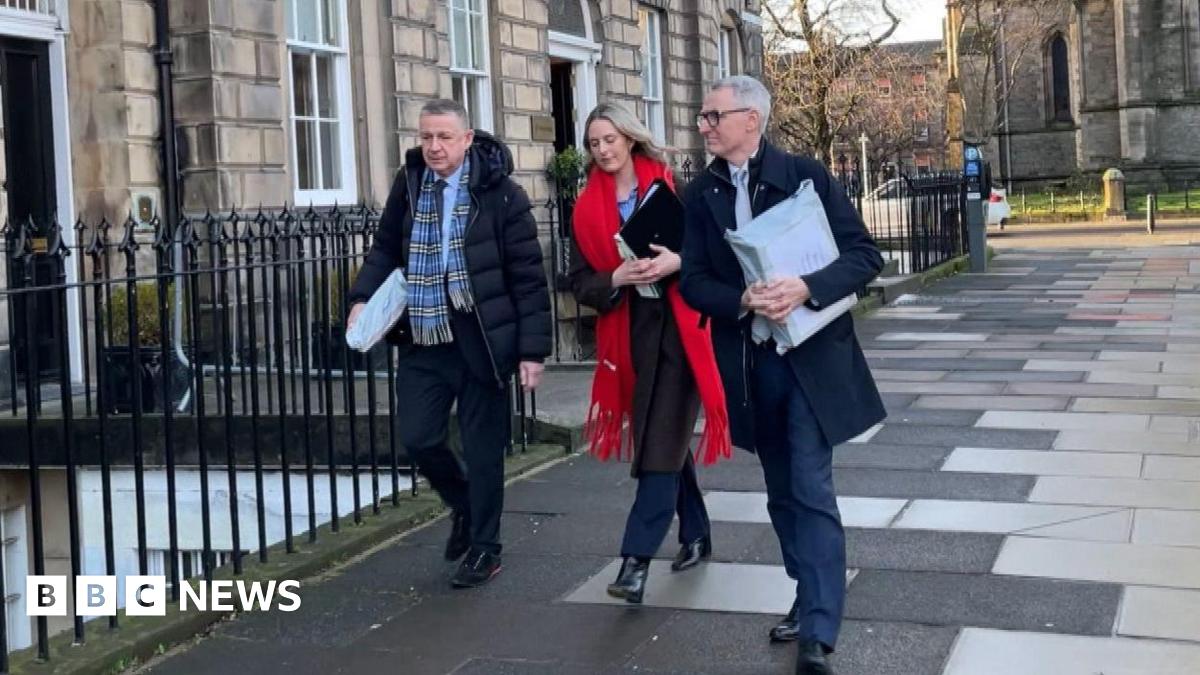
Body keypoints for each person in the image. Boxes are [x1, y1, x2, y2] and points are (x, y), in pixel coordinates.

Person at [679, 76, 886, 675]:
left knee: (811, 486)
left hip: (813, 362)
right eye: (703, 116)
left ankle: (819, 633)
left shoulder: (805, 176)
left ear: (752, 119)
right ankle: (806, 590)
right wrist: (743, 299)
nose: (705, 126)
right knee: (780, 493)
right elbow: (693, 282)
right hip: (752, 364)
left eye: (713, 115)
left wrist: (805, 288)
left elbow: (863, 256)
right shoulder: (701, 195)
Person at [347, 98, 551, 589]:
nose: (434, 147)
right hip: (424, 333)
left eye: (444, 137)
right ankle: (463, 505)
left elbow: (527, 276)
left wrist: (531, 351)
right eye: (426, 137)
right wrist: (360, 298)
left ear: (467, 138)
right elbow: (385, 248)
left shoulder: (502, 194)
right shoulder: (411, 183)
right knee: (418, 436)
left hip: (481, 338)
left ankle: (485, 548)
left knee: (483, 450)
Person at [569, 102, 731, 604]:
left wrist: (676, 261)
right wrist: (614, 278)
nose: (603, 150)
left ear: (630, 138)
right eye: (594, 143)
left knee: (658, 442)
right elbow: (578, 282)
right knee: (666, 437)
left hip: (683, 332)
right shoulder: (583, 207)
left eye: (610, 139)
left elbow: (714, 251)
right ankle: (697, 531)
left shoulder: (670, 186)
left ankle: (635, 561)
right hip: (632, 332)